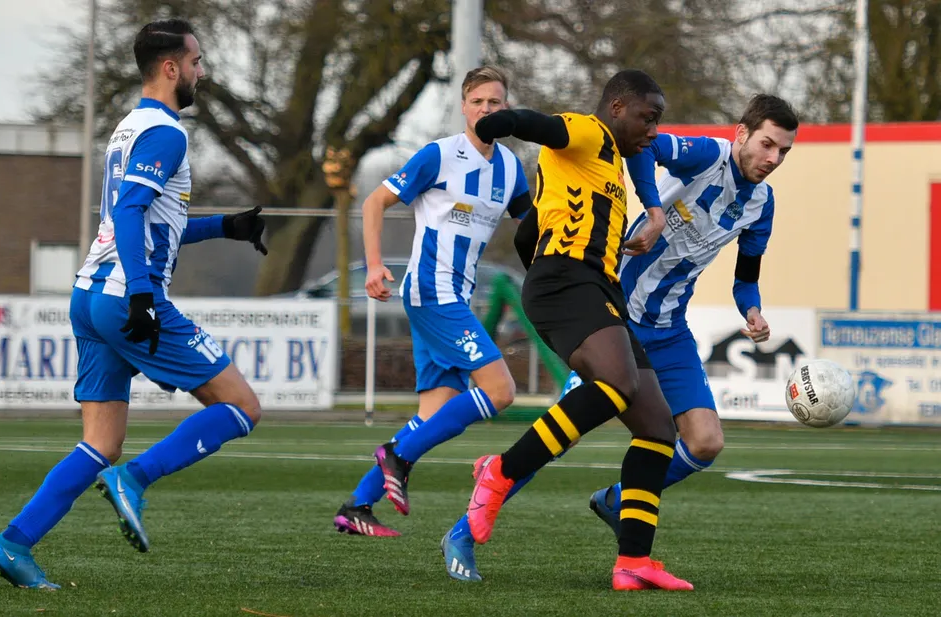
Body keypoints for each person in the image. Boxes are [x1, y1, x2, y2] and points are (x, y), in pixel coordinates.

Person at [441, 94, 799, 584]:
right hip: (613, 319)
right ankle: (462, 531)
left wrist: (752, 310)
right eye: (767, 145)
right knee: (559, 438)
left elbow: (746, 278)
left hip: (669, 329)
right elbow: (645, 149)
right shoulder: (705, 155)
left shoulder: (761, 204)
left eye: (783, 151)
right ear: (742, 134)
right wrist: (654, 210)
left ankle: (620, 503)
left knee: (704, 441)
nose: (773, 158)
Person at [0, 18, 268, 589]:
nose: (202, 72)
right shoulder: (167, 133)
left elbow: (148, 222)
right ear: (171, 68)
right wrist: (141, 293)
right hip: (124, 296)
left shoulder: (127, 129)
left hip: (89, 294)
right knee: (242, 406)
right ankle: (134, 479)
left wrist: (225, 226)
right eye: (196, 62)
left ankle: (13, 544)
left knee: (100, 442)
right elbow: (133, 213)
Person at [450, 69, 694, 591]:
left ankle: (634, 561)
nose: (653, 130)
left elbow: (528, 234)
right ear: (617, 108)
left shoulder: (605, 166)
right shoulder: (587, 132)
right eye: (648, 117)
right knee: (617, 382)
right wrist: (496, 123)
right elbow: (537, 124)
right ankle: (501, 471)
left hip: (593, 289)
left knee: (658, 428)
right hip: (568, 281)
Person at [333, 66, 532, 537]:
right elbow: (374, 203)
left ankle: (357, 505)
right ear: (464, 107)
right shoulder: (440, 155)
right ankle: (397, 458)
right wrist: (374, 265)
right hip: (431, 291)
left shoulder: (510, 167)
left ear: (506, 108)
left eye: (495, 102)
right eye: (478, 102)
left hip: (457, 295)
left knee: (434, 414)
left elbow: (532, 229)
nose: (486, 109)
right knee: (500, 391)